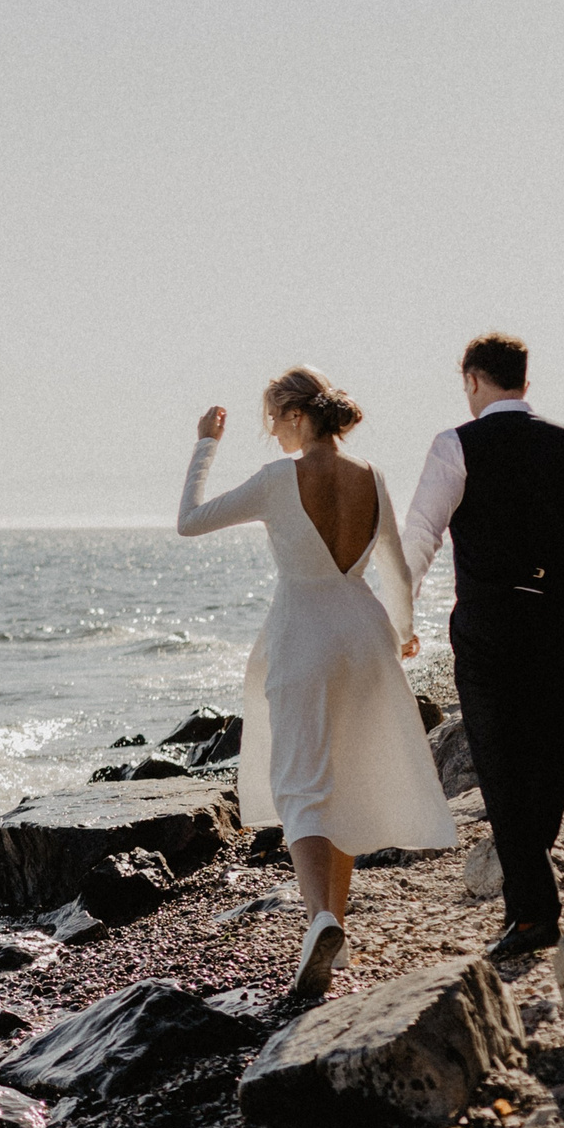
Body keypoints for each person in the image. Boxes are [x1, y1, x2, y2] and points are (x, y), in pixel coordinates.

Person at [179, 368, 458, 998]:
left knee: (301, 782)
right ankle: (332, 926)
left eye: (272, 420)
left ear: (296, 417)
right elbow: (396, 568)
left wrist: (205, 444)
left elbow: (190, 520)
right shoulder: (372, 476)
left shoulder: (281, 478)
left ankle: (319, 921)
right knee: (349, 774)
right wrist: (407, 630)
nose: (270, 431)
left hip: (304, 632)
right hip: (363, 632)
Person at [402, 333, 564, 961]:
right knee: (545, 755)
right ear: (525, 385)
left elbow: (420, 537)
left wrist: (398, 619)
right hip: (555, 623)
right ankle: (532, 898)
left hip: (486, 624)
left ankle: (534, 911)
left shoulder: (454, 444)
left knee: (499, 759)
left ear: (474, 381)